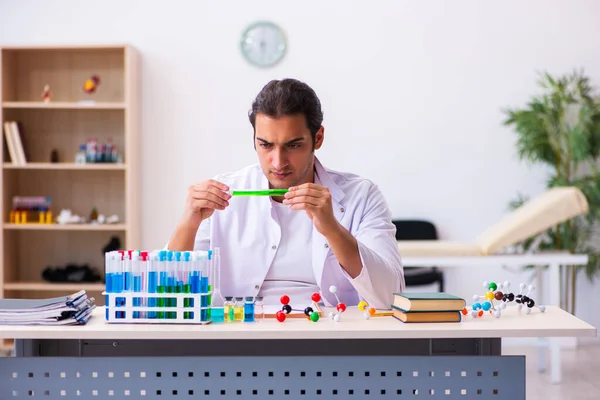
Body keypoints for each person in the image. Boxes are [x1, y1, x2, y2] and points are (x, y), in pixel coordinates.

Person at [167, 78, 404, 308]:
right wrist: (188, 222)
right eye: (266, 145)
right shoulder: (223, 193)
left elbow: (390, 296)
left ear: (318, 138)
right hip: (240, 335)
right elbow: (168, 293)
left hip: (329, 338)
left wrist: (332, 228)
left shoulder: (361, 196)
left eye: (293, 145)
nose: (278, 162)